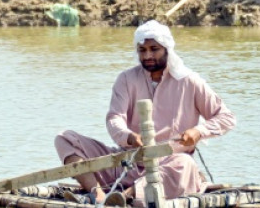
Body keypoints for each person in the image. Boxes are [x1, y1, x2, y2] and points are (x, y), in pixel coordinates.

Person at [54, 21, 236, 206]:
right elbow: (114, 118)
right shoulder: (126, 79)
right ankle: (98, 194)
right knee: (65, 138)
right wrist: (130, 137)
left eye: (154, 49)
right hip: (128, 162)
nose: (147, 55)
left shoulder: (190, 81)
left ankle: (124, 197)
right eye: (142, 50)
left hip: (170, 166)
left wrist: (199, 131)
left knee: (185, 163)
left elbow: (226, 117)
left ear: (166, 49)